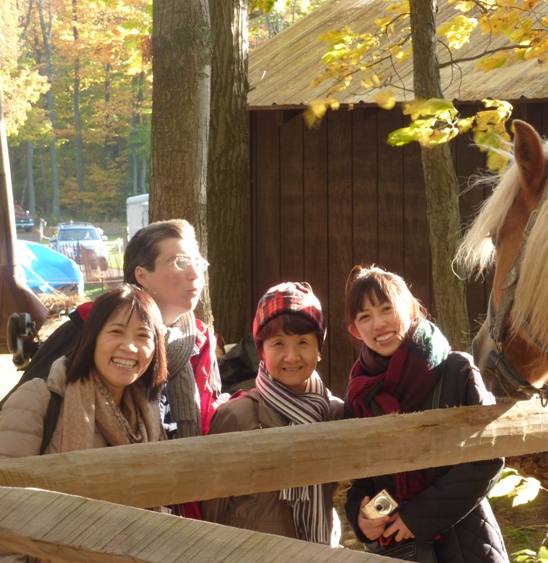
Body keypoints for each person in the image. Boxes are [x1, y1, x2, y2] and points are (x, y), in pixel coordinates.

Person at [343, 265, 509, 563]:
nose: (378, 324)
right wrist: (365, 517)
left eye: (386, 309)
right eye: (365, 316)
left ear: (410, 308)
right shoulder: (360, 393)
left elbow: (488, 457)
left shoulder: (457, 370)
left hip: (467, 539)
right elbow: (371, 481)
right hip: (399, 547)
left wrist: (417, 517)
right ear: (355, 330)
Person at [2, 219, 225, 441]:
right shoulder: (87, 327)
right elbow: (19, 418)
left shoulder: (199, 341)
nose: (195, 274)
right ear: (142, 276)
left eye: (198, 263)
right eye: (180, 262)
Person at [0, 285, 167, 562]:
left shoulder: (148, 414)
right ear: (92, 338)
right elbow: (5, 509)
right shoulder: (40, 399)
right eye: (116, 332)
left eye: (143, 336)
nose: (130, 346)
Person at [200, 282, 343, 547]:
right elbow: (210, 510)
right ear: (261, 351)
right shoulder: (237, 416)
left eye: (303, 342)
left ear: (319, 349)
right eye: (278, 343)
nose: (291, 356)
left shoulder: (333, 412)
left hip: (320, 551)